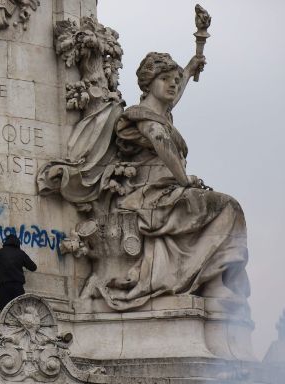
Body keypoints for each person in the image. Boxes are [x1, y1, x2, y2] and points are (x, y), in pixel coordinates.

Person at [84, 51, 250, 310]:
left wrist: (190, 69)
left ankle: (215, 281)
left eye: (175, 79)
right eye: (165, 79)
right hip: (148, 194)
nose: (173, 84)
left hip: (168, 190)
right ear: (149, 83)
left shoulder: (162, 114)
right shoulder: (141, 116)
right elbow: (160, 141)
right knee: (227, 207)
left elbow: (174, 97)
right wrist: (185, 180)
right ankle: (213, 282)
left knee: (227, 208)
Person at [0, 234, 38, 310]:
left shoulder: (0, 252)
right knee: (18, 311)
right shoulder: (21, 253)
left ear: (6, 242)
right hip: (17, 287)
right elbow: (33, 267)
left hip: (4, 287)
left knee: (5, 311)